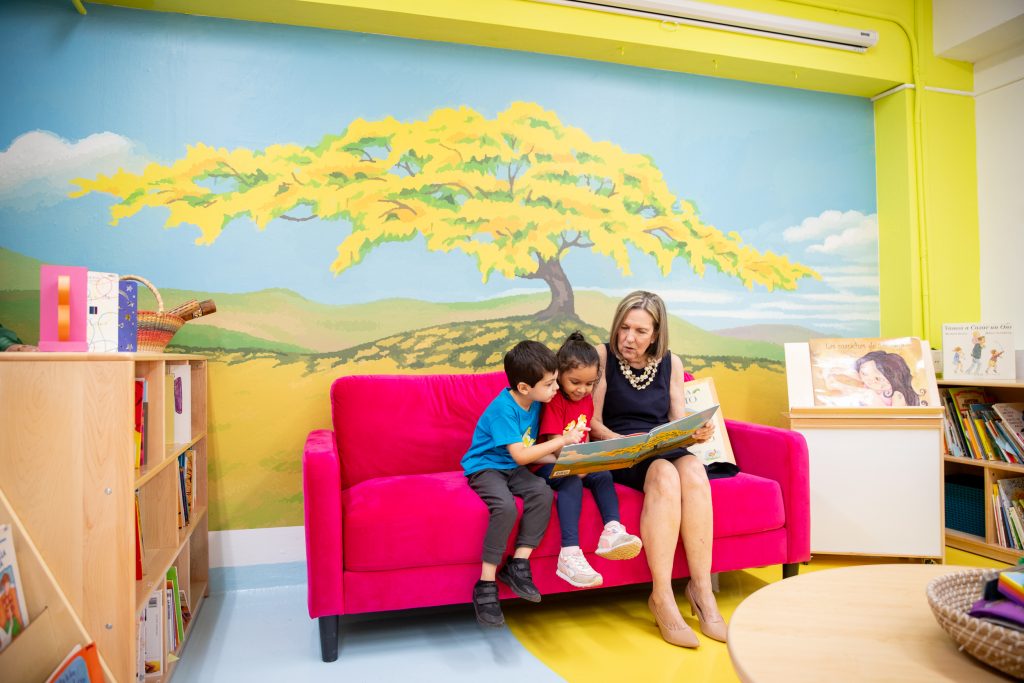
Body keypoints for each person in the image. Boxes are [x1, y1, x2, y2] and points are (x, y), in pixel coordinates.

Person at [590, 291, 723, 648]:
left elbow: (676, 418)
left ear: (656, 333)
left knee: (693, 470)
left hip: (661, 444)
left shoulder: (671, 363)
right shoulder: (602, 357)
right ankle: (662, 596)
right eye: (624, 328)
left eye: (640, 331)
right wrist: (625, 443)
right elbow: (594, 422)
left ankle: (701, 588)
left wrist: (695, 432)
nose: (628, 338)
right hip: (624, 449)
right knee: (664, 473)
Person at [461, 340, 587, 628]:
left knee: (542, 493)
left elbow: (528, 453)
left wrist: (567, 461)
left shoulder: (535, 401)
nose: (556, 389)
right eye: (550, 383)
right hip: (487, 467)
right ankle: (485, 584)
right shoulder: (503, 409)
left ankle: (518, 564)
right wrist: (563, 441)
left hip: (512, 467)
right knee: (505, 507)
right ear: (523, 387)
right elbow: (519, 455)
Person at [534, 331, 643, 588]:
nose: (583, 390)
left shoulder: (585, 400)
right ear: (559, 375)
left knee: (604, 475)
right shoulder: (554, 401)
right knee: (572, 482)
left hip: (576, 462)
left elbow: (585, 440)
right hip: (546, 463)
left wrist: (597, 460)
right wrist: (579, 467)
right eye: (575, 382)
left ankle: (612, 531)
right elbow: (555, 446)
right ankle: (569, 553)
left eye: (590, 383)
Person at [853, 350, 921, 407]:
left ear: (894, 378)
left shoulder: (897, 395)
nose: (869, 380)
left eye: (878, 378)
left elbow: (897, 417)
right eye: (864, 374)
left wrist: (876, 401)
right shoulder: (867, 387)